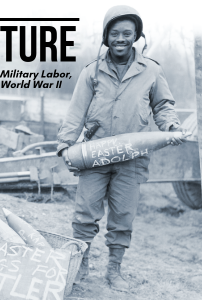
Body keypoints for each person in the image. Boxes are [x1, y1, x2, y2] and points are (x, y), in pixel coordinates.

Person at [57, 5, 187, 292]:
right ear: (106, 37)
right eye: (114, 33)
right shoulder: (91, 72)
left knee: (123, 217)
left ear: (136, 36)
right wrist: (66, 144)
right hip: (95, 156)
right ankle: (81, 263)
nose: (121, 38)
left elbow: (163, 105)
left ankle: (114, 269)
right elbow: (75, 112)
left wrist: (170, 127)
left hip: (133, 159)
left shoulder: (151, 70)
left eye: (127, 33)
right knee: (84, 214)